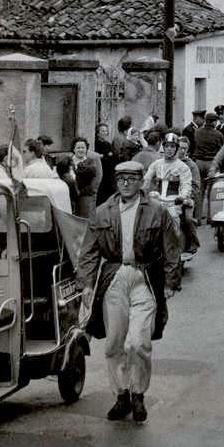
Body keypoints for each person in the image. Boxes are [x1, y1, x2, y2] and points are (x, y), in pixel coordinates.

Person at [76, 160, 176, 423]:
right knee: (114, 343)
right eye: (121, 179)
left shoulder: (157, 212)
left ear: (141, 182)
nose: (126, 184)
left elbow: (171, 249)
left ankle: (138, 395)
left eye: (132, 179)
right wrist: (87, 284)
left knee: (138, 342)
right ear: (115, 182)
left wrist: (169, 282)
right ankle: (121, 395)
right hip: (114, 277)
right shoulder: (102, 213)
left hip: (144, 278)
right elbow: (89, 251)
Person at [175, 136, 203, 254]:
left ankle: (193, 242)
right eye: (180, 147)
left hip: (186, 199)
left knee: (187, 218)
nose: (182, 151)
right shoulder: (169, 162)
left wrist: (187, 196)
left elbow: (196, 186)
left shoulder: (192, 165)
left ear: (188, 150)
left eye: (185, 148)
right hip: (169, 197)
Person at [70, 136, 103, 216]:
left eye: (83, 148)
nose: (81, 150)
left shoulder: (91, 161)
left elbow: (97, 177)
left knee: (86, 217)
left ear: (86, 149)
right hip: (71, 196)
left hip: (87, 195)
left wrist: (91, 191)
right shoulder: (69, 161)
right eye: (78, 148)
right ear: (74, 149)